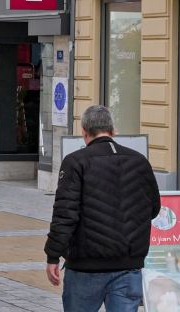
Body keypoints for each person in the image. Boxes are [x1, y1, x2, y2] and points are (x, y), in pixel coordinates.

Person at [44, 104, 160, 312]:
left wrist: (53, 255)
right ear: (113, 130)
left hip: (85, 268)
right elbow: (153, 208)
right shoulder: (139, 161)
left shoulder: (75, 162)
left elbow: (65, 214)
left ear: (84, 133)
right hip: (128, 265)